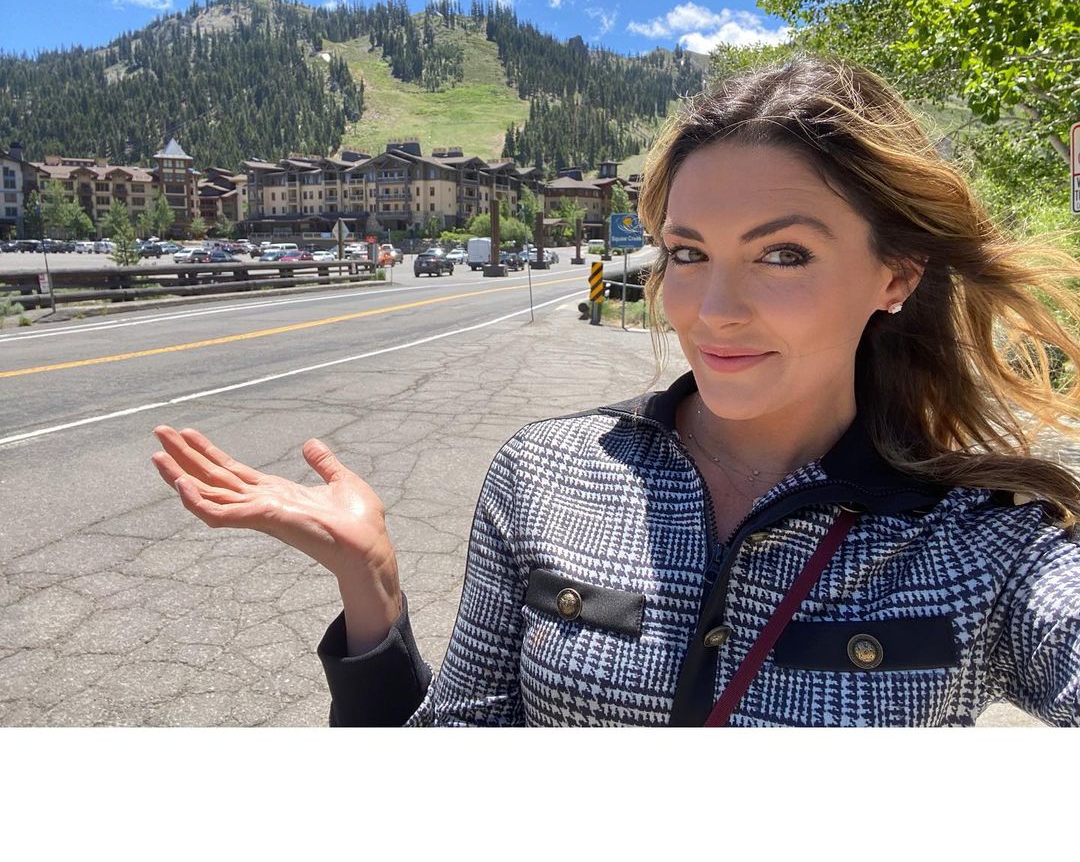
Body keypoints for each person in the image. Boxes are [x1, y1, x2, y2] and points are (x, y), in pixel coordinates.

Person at [151, 56, 1080, 726]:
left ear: (895, 276)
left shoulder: (985, 543)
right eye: (688, 254)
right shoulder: (543, 475)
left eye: (783, 255)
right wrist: (372, 584)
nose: (714, 310)